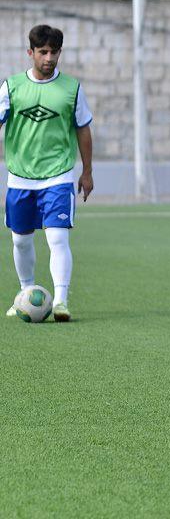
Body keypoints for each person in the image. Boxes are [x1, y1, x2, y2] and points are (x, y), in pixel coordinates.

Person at [0, 25, 94, 322]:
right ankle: (25, 295)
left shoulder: (72, 89)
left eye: (54, 52)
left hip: (58, 176)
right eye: (43, 52)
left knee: (57, 238)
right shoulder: (12, 87)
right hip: (20, 177)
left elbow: (83, 130)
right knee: (20, 241)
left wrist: (87, 171)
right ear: (30, 52)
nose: (49, 58)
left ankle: (61, 301)